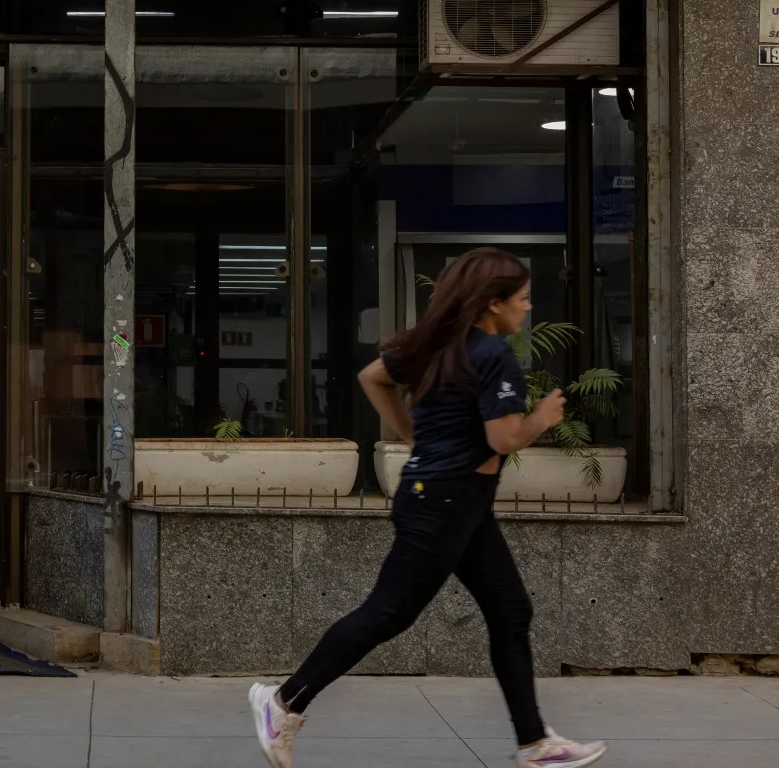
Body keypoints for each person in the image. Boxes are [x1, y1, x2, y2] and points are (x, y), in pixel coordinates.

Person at [247, 247, 607, 768]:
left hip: (455, 500)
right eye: (523, 299)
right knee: (388, 613)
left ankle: (535, 743)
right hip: (445, 501)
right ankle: (283, 704)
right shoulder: (493, 355)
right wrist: (543, 418)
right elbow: (503, 438)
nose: (528, 309)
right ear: (491, 304)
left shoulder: (438, 344)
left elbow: (373, 376)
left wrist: (413, 434)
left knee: (510, 610)